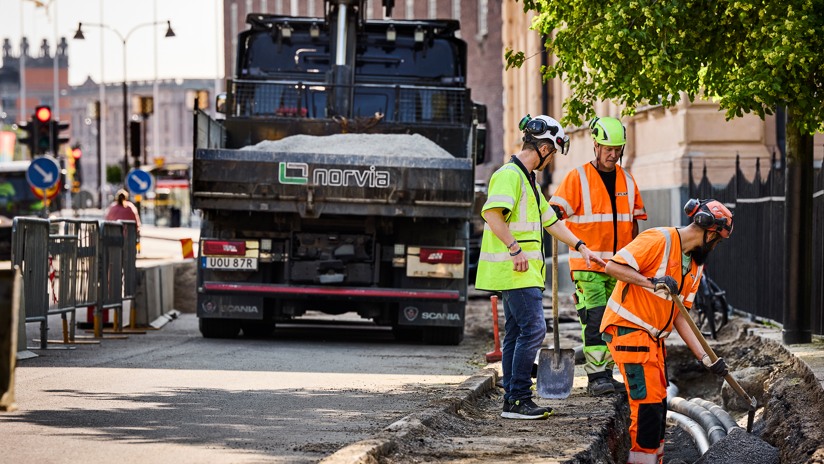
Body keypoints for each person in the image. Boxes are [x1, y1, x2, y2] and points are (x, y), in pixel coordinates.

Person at [475, 114, 607, 420]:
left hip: (520, 272)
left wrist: (582, 248)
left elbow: (551, 221)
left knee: (516, 333)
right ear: (546, 148)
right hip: (515, 270)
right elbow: (492, 214)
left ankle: (512, 398)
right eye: (554, 150)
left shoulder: (528, 179)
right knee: (534, 329)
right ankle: (519, 398)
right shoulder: (509, 175)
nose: (551, 158)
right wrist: (514, 247)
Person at [600, 199, 733, 464]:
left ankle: (654, 460)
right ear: (707, 229)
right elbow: (612, 267)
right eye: (717, 240)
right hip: (629, 331)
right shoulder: (658, 239)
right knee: (647, 407)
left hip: (653, 340)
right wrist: (652, 282)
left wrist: (707, 358)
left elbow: (681, 317)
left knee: (659, 404)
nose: (716, 246)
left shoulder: (695, 265)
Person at [549, 116, 648, 396]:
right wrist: (554, 215)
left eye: (618, 149)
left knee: (613, 321)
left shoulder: (627, 180)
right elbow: (554, 214)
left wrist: (635, 262)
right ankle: (597, 377)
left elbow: (634, 224)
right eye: (608, 148)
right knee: (594, 318)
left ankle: (607, 372)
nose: (613, 154)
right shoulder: (577, 178)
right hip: (588, 265)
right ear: (595, 145)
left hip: (618, 268)